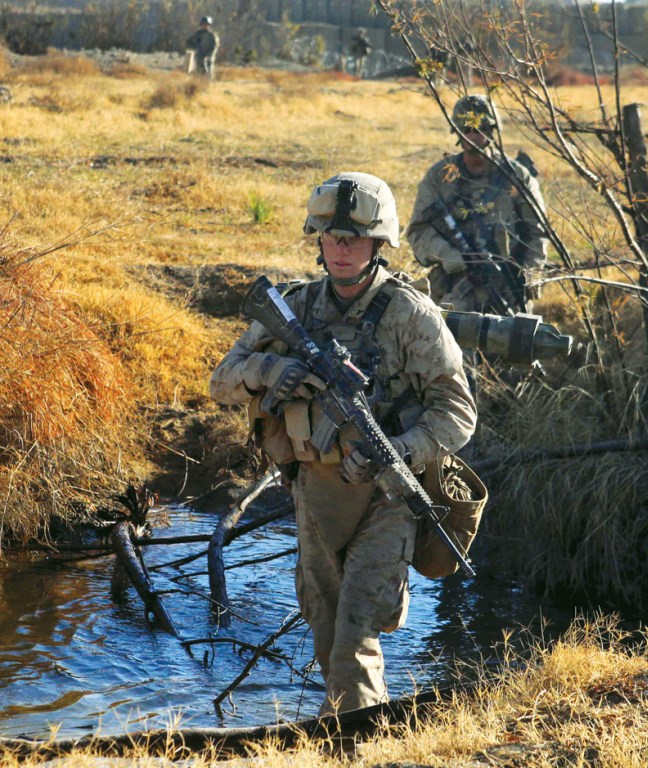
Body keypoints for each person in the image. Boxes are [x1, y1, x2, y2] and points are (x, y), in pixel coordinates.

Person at [209, 172, 476, 714]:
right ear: (318, 241)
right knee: (327, 633)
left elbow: (458, 411)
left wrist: (402, 449)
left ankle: (356, 744)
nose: (342, 249)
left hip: (384, 498)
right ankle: (347, 739)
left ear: (379, 244)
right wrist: (269, 368)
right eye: (332, 239)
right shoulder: (294, 308)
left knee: (355, 635)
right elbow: (221, 382)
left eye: (354, 239)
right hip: (313, 493)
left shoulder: (411, 315)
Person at [406, 94, 548, 314]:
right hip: (454, 289)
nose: (473, 136)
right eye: (467, 129)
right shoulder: (440, 176)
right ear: (457, 132)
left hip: (507, 289)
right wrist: (451, 256)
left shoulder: (517, 176)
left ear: (493, 130)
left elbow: (538, 233)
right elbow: (418, 230)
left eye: (480, 129)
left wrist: (529, 279)